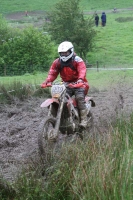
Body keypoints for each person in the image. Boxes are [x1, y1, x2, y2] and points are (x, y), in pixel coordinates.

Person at [41, 41, 89, 128]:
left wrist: (80, 79)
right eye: (62, 53)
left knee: (79, 98)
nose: (64, 55)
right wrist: (48, 81)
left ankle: (84, 120)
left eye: (66, 53)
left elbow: (82, 70)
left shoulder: (77, 60)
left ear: (71, 51)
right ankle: (65, 118)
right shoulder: (57, 62)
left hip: (80, 83)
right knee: (59, 98)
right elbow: (53, 72)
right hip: (66, 84)